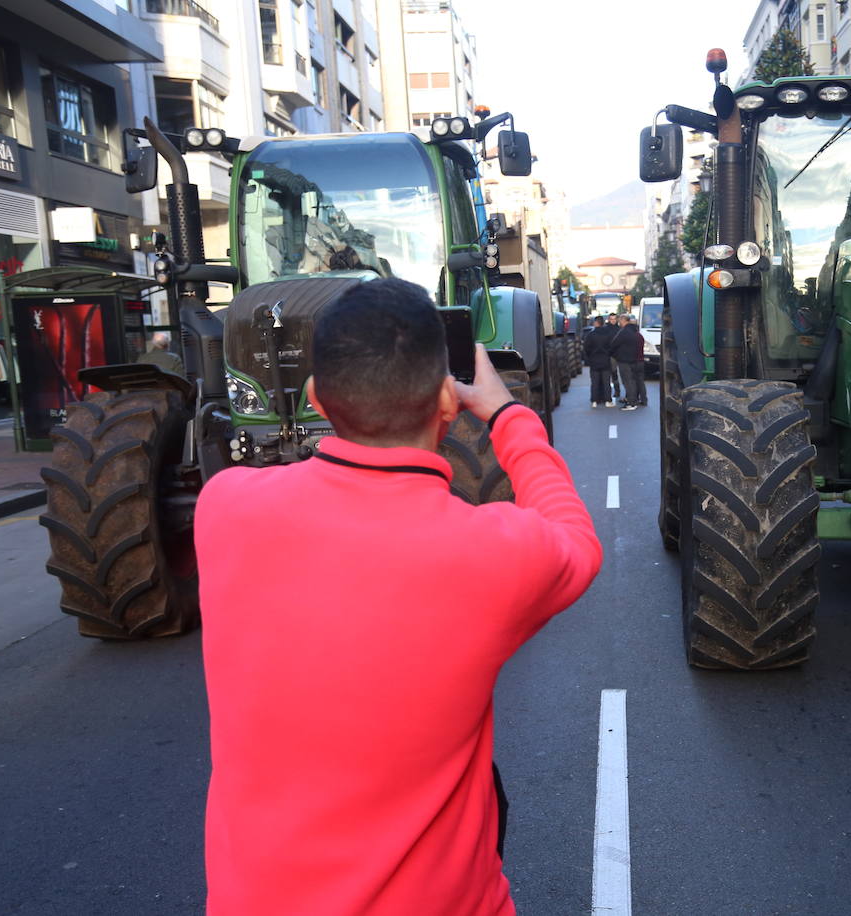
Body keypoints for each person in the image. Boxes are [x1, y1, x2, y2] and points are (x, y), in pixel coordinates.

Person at [195, 277, 602, 916]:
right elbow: (576, 538)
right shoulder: (494, 554)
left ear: (315, 398)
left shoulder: (222, 508)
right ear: (446, 401)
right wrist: (506, 414)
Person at [611, 313, 646, 410]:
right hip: (637, 360)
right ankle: (640, 400)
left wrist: (615, 355)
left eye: (619, 320)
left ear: (623, 320)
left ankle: (631, 402)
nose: (619, 322)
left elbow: (614, 344)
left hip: (625, 360)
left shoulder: (623, 332)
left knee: (628, 381)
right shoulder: (637, 334)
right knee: (636, 381)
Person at [583, 314, 616, 408]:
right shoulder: (608, 334)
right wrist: (608, 354)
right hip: (605, 360)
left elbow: (586, 347)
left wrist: (590, 357)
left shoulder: (591, 335)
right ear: (603, 323)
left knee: (595, 382)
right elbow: (612, 347)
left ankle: (594, 401)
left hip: (594, 361)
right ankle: (607, 400)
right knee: (606, 382)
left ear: (596, 323)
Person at [605, 313, 623, 402]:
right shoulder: (606, 329)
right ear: (609, 319)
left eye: (614, 319)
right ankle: (617, 391)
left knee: (623, 374)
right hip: (611, 355)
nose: (613, 321)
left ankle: (620, 391)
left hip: (620, 354)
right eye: (611, 319)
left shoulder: (620, 329)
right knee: (613, 373)